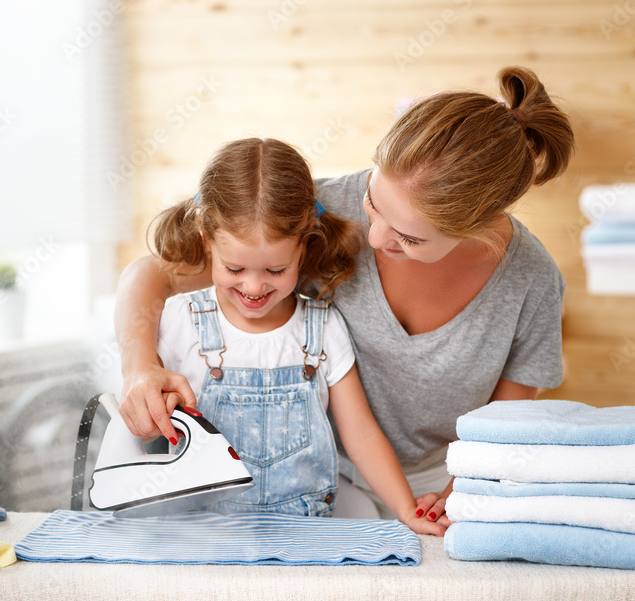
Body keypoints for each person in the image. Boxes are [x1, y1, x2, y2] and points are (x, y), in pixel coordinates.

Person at [115, 66, 574, 527]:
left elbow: (505, 418)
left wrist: (462, 489)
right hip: (317, 473)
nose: (373, 239)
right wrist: (138, 367)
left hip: (445, 477)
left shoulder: (531, 280)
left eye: (409, 240)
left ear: (477, 230)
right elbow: (149, 276)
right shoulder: (319, 213)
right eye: (374, 203)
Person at [142, 137, 444, 534]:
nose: (254, 287)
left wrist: (406, 510)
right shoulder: (179, 320)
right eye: (235, 269)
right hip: (202, 535)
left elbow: (361, 435)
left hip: (306, 535)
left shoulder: (324, 327)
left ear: (304, 246)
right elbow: (145, 422)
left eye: (275, 270)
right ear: (205, 238)